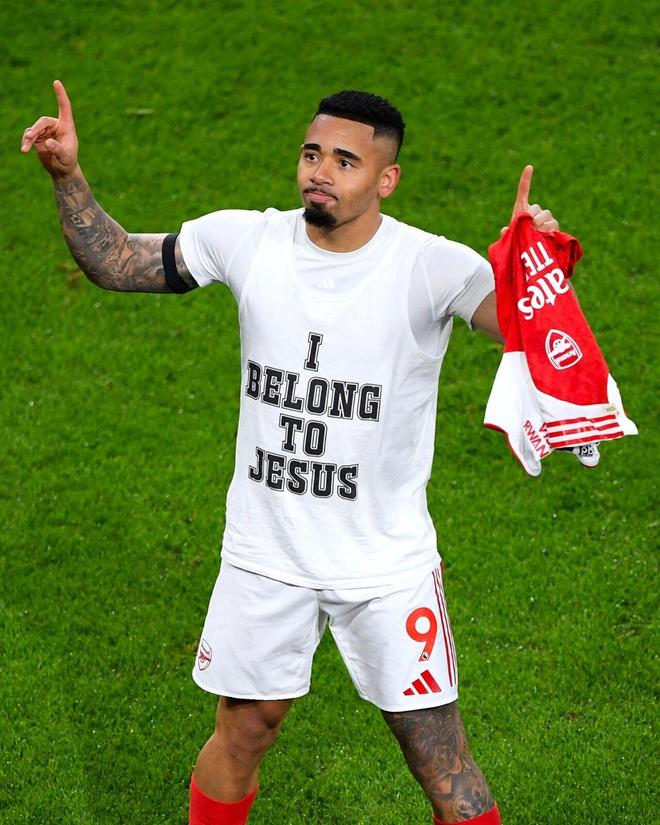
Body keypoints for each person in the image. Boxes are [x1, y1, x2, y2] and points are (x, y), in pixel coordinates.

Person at [22, 81, 559, 825]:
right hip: (266, 555)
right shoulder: (247, 240)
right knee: (245, 730)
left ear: (387, 179)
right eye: (312, 154)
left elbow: (526, 327)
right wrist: (68, 175)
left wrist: (538, 261)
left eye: (345, 161)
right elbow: (115, 261)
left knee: (442, 763)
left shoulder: (432, 267)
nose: (320, 172)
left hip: (385, 566)